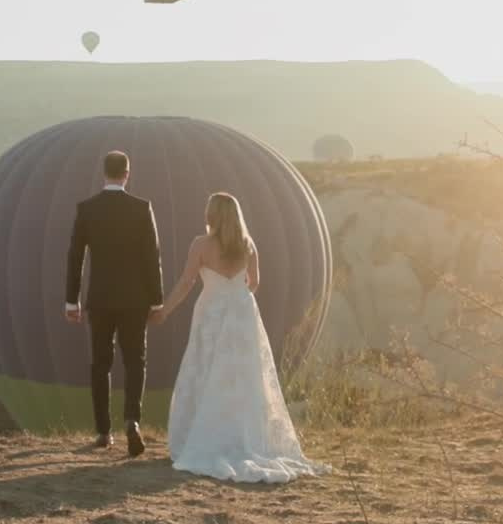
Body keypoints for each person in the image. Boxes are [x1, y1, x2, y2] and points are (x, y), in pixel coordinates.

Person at [154, 191, 327, 483]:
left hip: (211, 312)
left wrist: (165, 310)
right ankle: (246, 436)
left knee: (207, 370)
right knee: (245, 376)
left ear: (211, 215)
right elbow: (254, 282)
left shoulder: (201, 245)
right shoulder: (248, 245)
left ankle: (205, 435)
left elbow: (186, 283)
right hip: (243, 313)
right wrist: (237, 298)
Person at [64, 150, 163, 456]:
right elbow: (152, 257)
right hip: (135, 300)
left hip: (101, 299)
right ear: (127, 173)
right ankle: (132, 421)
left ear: (103, 172)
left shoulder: (87, 209)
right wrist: (157, 300)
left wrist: (72, 300)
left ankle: (103, 432)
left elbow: (75, 257)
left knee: (101, 364)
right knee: (136, 362)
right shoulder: (142, 208)